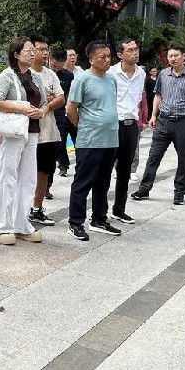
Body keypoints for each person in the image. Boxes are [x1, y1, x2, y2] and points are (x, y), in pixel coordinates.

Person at [131, 43, 185, 206]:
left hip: (184, 122)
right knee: (153, 156)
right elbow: (158, 95)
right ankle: (144, 189)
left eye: (176, 55)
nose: (173, 58)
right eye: (170, 56)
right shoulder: (164, 74)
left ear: (183, 56)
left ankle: (179, 193)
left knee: (184, 159)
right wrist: (153, 115)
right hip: (163, 121)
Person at [0, 37, 46, 245]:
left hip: (32, 131)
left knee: (28, 178)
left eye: (33, 50)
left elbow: (44, 103)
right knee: (8, 177)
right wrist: (22, 108)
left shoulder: (35, 77)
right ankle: (1, 226)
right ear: (16, 54)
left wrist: (41, 111)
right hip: (13, 132)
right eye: (28, 50)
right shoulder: (7, 75)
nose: (32, 53)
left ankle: (21, 224)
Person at [66, 41, 122, 240]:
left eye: (108, 56)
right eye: (102, 57)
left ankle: (99, 219)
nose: (107, 60)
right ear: (91, 59)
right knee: (83, 181)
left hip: (110, 138)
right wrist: (82, 126)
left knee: (103, 182)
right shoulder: (82, 79)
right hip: (90, 139)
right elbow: (71, 109)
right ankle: (75, 222)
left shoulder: (111, 79)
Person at [28, 35, 65, 226]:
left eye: (46, 49)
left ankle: (37, 208)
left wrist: (45, 106)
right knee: (25, 173)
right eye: (41, 49)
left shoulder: (50, 74)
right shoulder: (23, 74)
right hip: (28, 132)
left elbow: (61, 98)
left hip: (49, 132)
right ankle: (21, 208)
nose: (45, 53)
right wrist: (47, 98)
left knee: (44, 172)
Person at [108, 38, 145, 225]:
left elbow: (138, 99)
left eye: (136, 49)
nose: (135, 53)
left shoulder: (141, 74)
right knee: (105, 168)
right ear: (120, 55)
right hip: (114, 124)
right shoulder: (111, 73)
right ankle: (99, 212)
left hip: (132, 126)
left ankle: (119, 209)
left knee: (125, 170)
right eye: (130, 50)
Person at [51, 47, 77, 177]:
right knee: (57, 144)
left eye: (59, 67)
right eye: (54, 66)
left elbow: (70, 95)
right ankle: (62, 165)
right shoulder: (45, 73)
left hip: (63, 113)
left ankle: (79, 165)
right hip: (47, 112)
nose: (56, 69)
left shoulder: (69, 76)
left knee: (69, 140)